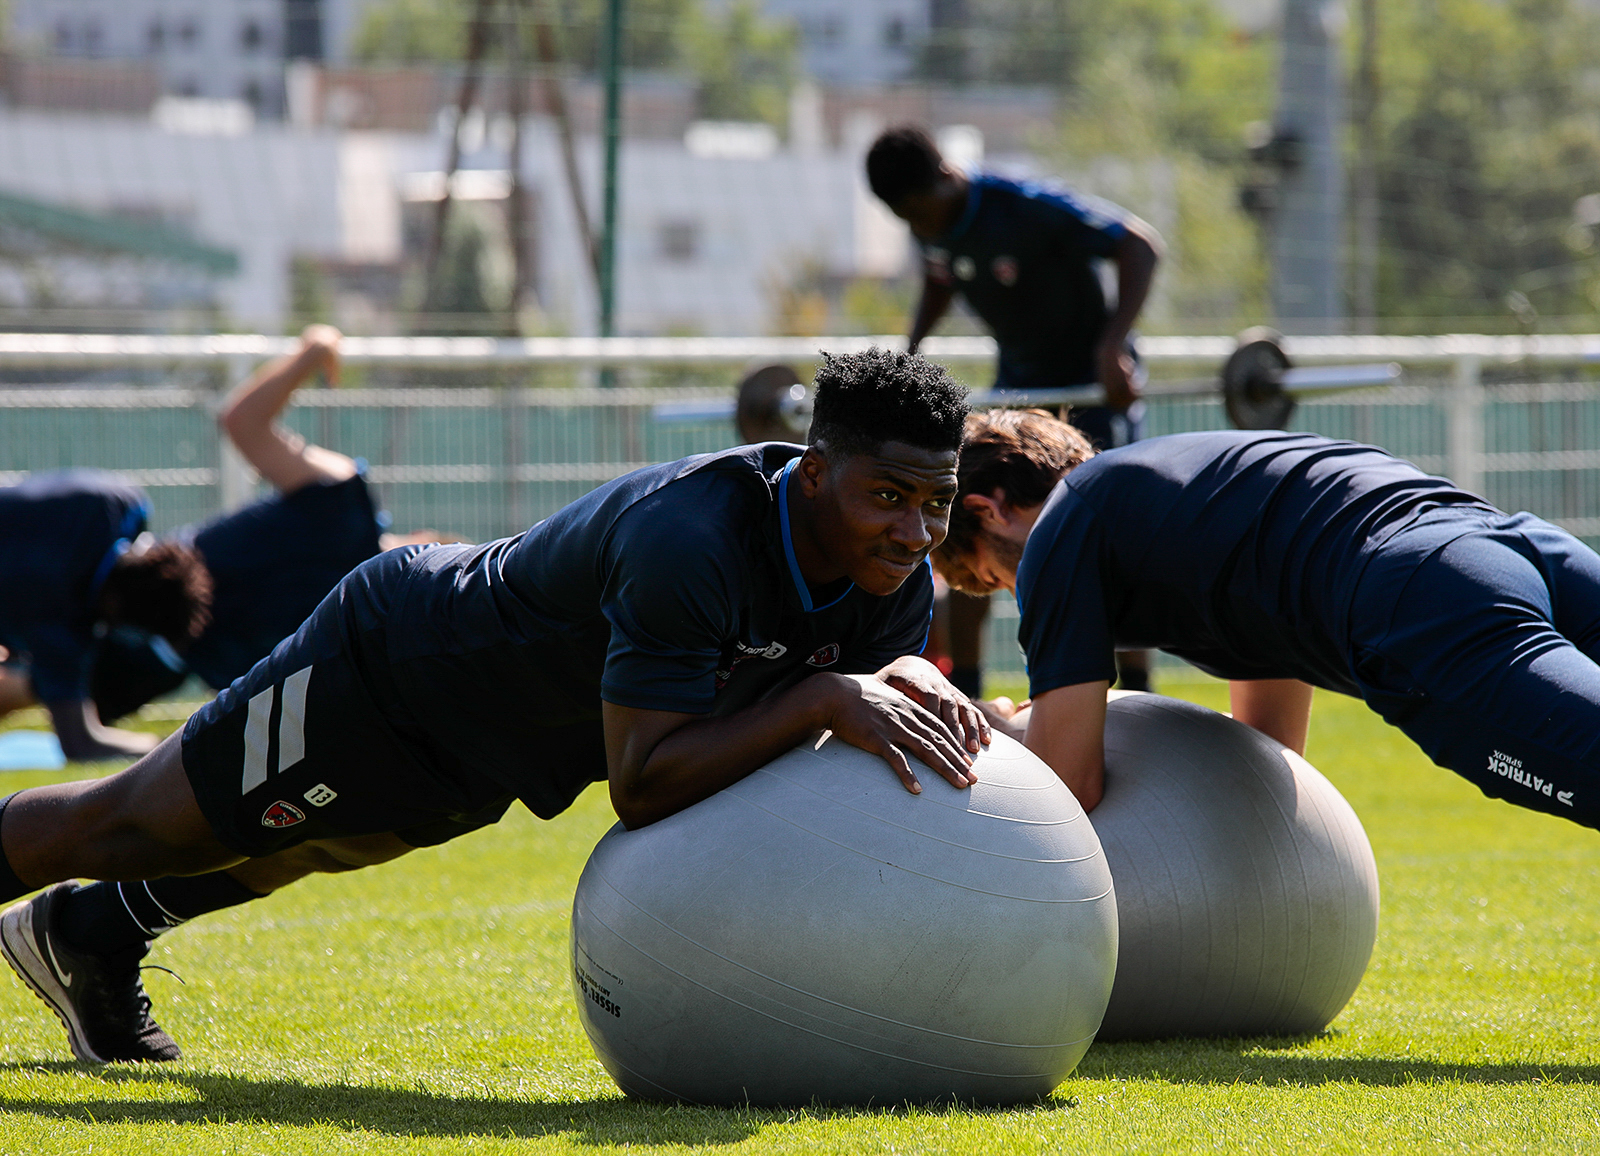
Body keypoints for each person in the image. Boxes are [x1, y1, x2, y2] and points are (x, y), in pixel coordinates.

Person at [0, 348, 990, 1065]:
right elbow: (644, 785)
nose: (914, 529)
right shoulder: (692, 539)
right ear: (815, 472)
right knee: (129, 824)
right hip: (392, 666)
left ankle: (90, 937)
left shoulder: (891, 580)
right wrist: (821, 692)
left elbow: (842, 726)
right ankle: (88, 917)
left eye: (935, 501)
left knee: (309, 847)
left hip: (507, 742)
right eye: (888, 496)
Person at [933, 408, 1600, 834]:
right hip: (1510, 546)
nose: (1019, 593)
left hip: (1423, 601)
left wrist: (1003, 729)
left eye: (994, 577)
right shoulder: (1178, 501)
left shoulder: (1063, 527)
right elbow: (1271, 758)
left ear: (991, 510)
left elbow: (1070, 787)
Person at [865, 124, 1164, 696]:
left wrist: (1112, 345)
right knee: (966, 535)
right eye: (907, 218)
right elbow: (938, 277)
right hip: (1017, 400)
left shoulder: (1026, 208)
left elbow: (1139, 244)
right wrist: (909, 353)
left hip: (1091, 392)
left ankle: (1140, 697)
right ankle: (971, 697)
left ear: (947, 176)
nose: (920, 226)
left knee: (1112, 540)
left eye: (921, 210)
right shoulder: (934, 230)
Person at [90, 325, 439, 723]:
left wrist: (313, 351)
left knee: (37, 677)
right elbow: (244, 422)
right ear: (420, 540)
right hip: (124, 585)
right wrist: (312, 353)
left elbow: (243, 421)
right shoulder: (345, 511)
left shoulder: (368, 630)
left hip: (148, 646)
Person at [0, 471, 211, 760]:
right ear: (119, 616)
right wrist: (174, 748)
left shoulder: (119, 500)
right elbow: (80, 744)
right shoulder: (59, 620)